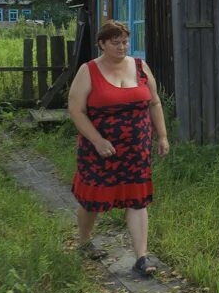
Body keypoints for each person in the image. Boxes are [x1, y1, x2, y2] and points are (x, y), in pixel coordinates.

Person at [67, 20, 170, 277]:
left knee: (137, 200)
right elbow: (76, 111)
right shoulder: (88, 70)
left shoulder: (139, 66)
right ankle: (84, 241)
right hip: (100, 149)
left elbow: (155, 103)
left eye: (125, 41)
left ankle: (141, 257)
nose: (122, 47)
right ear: (102, 43)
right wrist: (97, 140)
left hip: (136, 150)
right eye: (115, 42)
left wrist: (163, 136)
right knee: (92, 201)